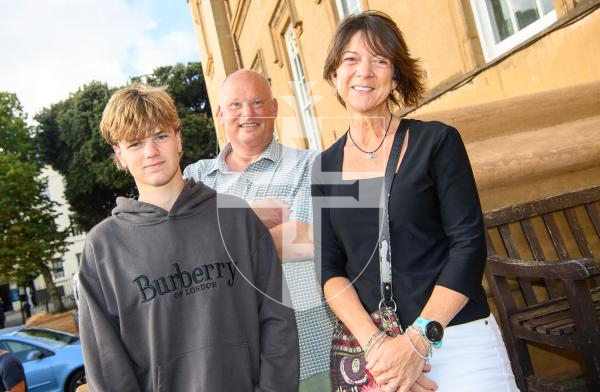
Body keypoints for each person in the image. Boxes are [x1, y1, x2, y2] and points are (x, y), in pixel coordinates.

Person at [312, 11, 518, 392]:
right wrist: (379, 347)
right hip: (379, 358)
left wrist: (418, 341)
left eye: (379, 60)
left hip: (457, 337)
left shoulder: (436, 142)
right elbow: (331, 270)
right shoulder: (325, 167)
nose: (364, 72)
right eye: (351, 59)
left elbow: (469, 246)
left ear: (395, 77)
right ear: (334, 74)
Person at [78, 84, 299, 391]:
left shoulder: (236, 219)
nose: (151, 151)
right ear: (119, 154)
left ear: (178, 138)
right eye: (135, 143)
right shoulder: (103, 248)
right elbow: (106, 364)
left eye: (160, 135)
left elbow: (278, 325)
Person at [184, 69, 334, 392]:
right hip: (228, 363)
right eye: (236, 105)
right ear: (220, 114)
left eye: (257, 103)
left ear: (275, 108)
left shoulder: (311, 165)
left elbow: (309, 238)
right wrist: (258, 222)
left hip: (307, 351)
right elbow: (186, 253)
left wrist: (222, 239)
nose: (247, 114)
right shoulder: (196, 177)